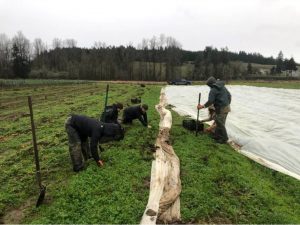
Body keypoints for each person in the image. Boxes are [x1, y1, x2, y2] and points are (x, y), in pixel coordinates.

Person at [197, 76, 231, 144]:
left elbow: (210, 101)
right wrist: (227, 103)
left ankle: (224, 139)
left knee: (220, 124)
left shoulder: (213, 90)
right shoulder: (222, 87)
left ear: (210, 84)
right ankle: (217, 136)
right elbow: (229, 95)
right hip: (226, 107)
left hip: (221, 108)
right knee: (219, 123)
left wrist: (202, 106)